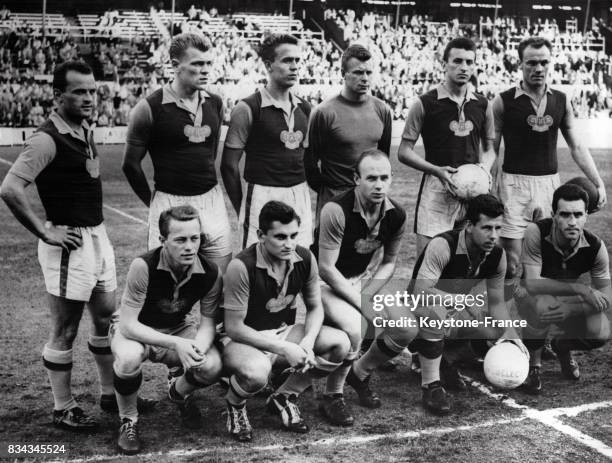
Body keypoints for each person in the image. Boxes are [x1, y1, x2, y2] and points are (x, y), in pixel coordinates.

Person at [0, 61, 143, 430]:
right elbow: (11, 189)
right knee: (65, 328)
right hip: (69, 242)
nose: (89, 98)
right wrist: (46, 232)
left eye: (92, 91)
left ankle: (110, 394)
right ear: (57, 95)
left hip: (97, 237)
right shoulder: (46, 138)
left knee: (104, 318)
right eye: (79, 91)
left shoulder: (82, 128)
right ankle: (62, 406)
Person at [221, 201, 350, 442]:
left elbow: (315, 307)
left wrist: (308, 342)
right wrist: (285, 348)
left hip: (281, 334)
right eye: (280, 237)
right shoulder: (241, 266)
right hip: (241, 341)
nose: (289, 243)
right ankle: (235, 404)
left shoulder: (304, 257)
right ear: (261, 235)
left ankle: (285, 396)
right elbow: (234, 328)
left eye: (293, 235)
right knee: (258, 372)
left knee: (340, 343)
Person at [492, 36, 607, 295]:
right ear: (520, 64)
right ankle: (505, 329)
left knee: (543, 259)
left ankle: (538, 326)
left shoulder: (561, 100)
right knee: (511, 263)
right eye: (531, 62)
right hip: (514, 187)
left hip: (549, 187)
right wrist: (490, 186)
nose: (538, 68)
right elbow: (491, 149)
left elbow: (577, 146)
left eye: (544, 62)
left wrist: (598, 183)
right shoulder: (503, 101)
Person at [314, 149, 416, 426]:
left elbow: (389, 262)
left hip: (361, 280)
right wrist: (363, 304)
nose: (379, 185)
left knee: (407, 326)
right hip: (323, 282)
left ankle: (360, 372)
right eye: (371, 178)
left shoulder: (396, 214)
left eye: (384, 177)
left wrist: (368, 293)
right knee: (356, 328)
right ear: (356, 178)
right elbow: (326, 268)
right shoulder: (336, 210)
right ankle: (332, 395)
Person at [110, 205, 223, 454]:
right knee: (128, 359)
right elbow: (128, 324)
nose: (190, 247)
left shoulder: (211, 272)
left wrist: (195, 351)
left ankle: (178, 393)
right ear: (163, 240)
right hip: (138, 330)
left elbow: (207, 324)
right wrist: (176, 345)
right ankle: (128, 420)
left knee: (211, 365)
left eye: (195, 238)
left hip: (178, 329)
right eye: (180, 240)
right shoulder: (144, 265)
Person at [408, 194, 527, 415]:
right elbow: (420, 292)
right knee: (435, 312)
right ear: (470, 226)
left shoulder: (497, 255)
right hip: (417, 313)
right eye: (487, 228)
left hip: (453, 311)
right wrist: (460, 301)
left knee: (498, 328)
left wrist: (510, 333)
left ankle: (447, 358)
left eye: (498, 228)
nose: (494, 236)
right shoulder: (443, 245)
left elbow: (497, 302)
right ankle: (431, 385)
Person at [122, 32, 231, 270]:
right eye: (197, 64)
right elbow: (130, 164)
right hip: (169, 201)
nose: (205, 70)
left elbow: (210, 154)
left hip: (212, 200)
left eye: (208, 63)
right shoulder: (149, 108)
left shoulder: (216, 102)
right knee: (167, 287)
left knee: (219, 281)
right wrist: (153, 204)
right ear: (175, 65)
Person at [397, 37, 496, 258]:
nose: (464, 67)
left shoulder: (483, 104)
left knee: (462, 264)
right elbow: (403, 151)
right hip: (436, 190)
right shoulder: (425, 103)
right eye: (457, 61)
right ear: (444, 64)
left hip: (472, 191)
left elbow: (490, 149)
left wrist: (484, 170)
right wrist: (436, 170)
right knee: (428, 264)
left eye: (469, 62)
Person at [222, 34, 313, 248]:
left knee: (300, 262)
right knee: (258, 266)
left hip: (299, 193)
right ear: (268, 65)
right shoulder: (248, 108)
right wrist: (242, 208)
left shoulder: (306, 109)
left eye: (297, 61)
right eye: (287, 60)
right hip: (262, 194)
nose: (294, 66)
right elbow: (228, 165)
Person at [519, 184, 610, 394]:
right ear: (554, 215)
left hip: (566, 301)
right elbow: (532, 283)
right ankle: (534, 366)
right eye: (565, 214)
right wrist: (580, 289)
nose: (572, 221)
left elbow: (607, 297)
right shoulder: (536, 232)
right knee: (543, 304)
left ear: (586, 215)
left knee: (601, 330)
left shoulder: (596, 247)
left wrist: (572, 309)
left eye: (578, 214)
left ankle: (562, 346)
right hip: (530, 296)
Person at [305, 44, 393, 223]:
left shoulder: (382, 109)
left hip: (371, 196)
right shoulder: (324, 112)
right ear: (342, 73)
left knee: (368, 248)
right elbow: (310, 163)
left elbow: (383, 156)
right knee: (330, 249)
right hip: (335, 196)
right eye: (358, 72)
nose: (365, 78)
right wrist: (330, 191)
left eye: (369, 73)